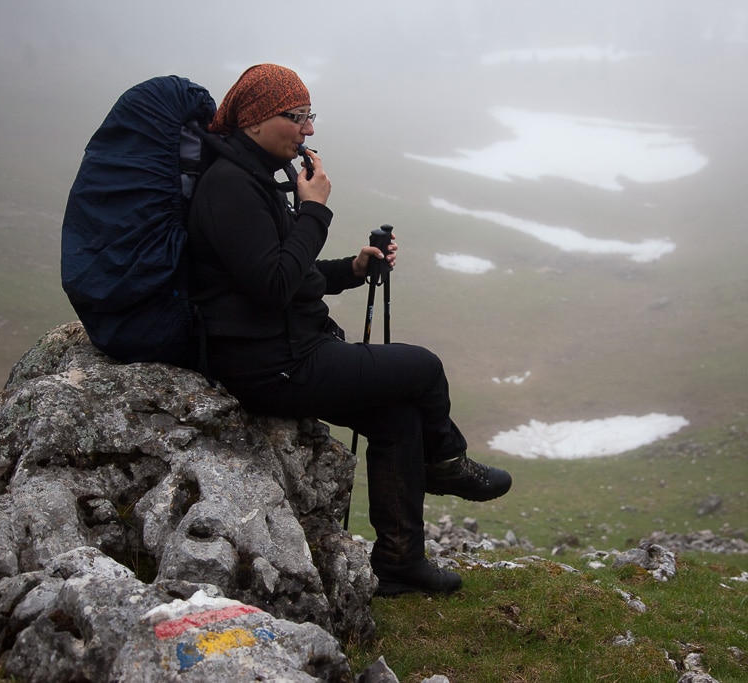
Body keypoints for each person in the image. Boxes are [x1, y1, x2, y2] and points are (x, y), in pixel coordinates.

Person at [186, 63, 512, 596]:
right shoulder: (228, 187)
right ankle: (447, 465)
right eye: (298, 117)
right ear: (258, 119)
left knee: (398, 413)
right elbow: (272, 284)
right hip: (271, 364)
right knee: (423, 367)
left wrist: (353, 269)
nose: (309, 130)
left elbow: (289, 274)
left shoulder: (252, 179)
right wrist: (315, 210)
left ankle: (400, 563)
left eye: (310, 116)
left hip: (287, 351)